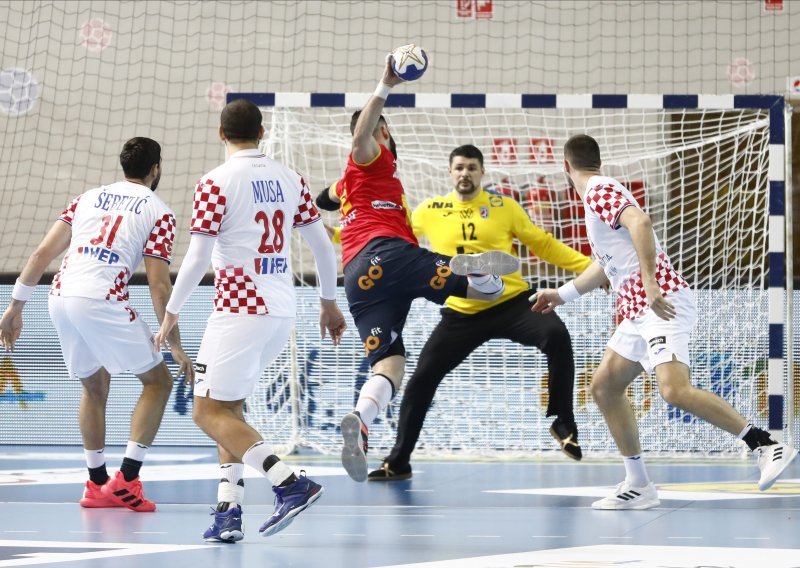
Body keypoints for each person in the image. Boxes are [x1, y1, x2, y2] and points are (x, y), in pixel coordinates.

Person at [531, 134, 798, 509]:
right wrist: (562, 294)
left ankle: (765, 444)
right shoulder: (600, 196)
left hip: (659, 303)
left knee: (674, 390)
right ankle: (638, 484)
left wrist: (652, 283)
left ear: (565, 165)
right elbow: (606, 264)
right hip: (637, 311)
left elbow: (640, 222)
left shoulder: (597, 189)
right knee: (605, 387)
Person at [314, 53, 519, 483]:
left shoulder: (353, 181)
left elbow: (322, 200)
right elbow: (359, 141)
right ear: (382, 131)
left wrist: (334, 195)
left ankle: (361, 419)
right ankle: (475, 268)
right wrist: (385, 84)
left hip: (357, 277)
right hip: (390, 255)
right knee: (490, 292)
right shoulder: (374, 159)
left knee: (389, 364)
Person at [153, 99, 346, 541]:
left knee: (205, 410)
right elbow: (321, 246)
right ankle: (228, 511)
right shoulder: (290, 178)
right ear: (262, 134)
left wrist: (171, 311)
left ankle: (289, 484)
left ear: (221, 134)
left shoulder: (215, 182)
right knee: (229, 409)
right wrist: (329, 303)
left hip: (239, 309)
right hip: (281, 310)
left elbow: (199, 256)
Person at [366, 144, 592, 481]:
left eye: (472, 167)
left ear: (482, 172)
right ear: (449, 172)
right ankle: (398, 461)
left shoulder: (504, 207)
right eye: (459, 167)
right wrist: (340, 236)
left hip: (512, 303)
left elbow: (543, 244)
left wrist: (591, 268)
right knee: (420, 382)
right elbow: (392, 237)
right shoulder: (430, 210)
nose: (465, 173)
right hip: (462, 312)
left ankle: (563, 422)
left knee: (556, 335)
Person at [0, 137, 193, 512]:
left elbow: (42, 253)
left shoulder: (87, 197)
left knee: (94, 385)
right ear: (156, 169)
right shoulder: (160, 212)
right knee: (158, 381)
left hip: (60, 295)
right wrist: (174, 343)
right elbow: (158, 283)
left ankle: (96, 483)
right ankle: (129, 479)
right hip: (101, 297)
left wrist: (14, 307)